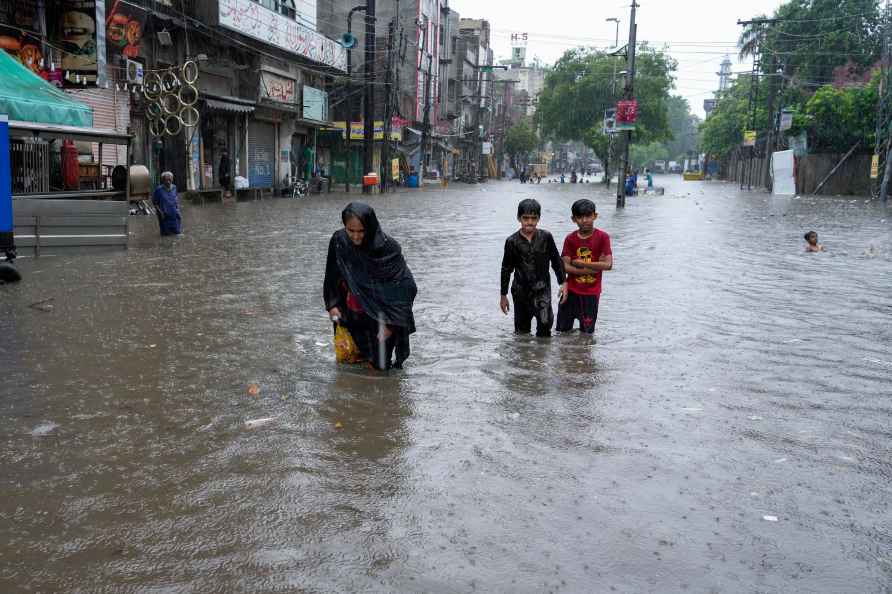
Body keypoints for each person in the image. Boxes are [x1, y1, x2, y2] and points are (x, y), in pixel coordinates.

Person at [324, 203, 417, 370]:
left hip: (381, 318)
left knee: (380, 368)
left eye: (361, 231)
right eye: (350, 230)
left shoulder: (388, 248)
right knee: (349, 361)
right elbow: (332, 273)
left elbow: (406, 287)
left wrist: (391, 325)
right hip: (351, 313)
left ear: (371, 227)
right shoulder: (339, 241)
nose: (356, 237)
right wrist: (332, 304)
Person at [500, 199, 567, 338]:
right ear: (519, 218)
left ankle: (540, 358)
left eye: (533, 218)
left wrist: (563, 283)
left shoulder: (546, 237)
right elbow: (506, 269)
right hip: (520, 291)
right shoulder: (512, 241)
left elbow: (556, 261)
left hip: (542, 289)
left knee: (545, 323)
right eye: (525, 218)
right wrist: (503, 295)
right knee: (522, 331)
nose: (529, 222)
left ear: (538, 218)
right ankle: (525, 358)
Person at [557, 199, 613, 335]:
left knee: (587, 335)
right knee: (561, 332)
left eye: (588, 216)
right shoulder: (570, 239)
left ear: (595, 216)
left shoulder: (603, 237)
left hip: (591, 294)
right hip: (570, 292)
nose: (584, 220)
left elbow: (608, 265)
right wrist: (592, 268)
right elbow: (563, 265)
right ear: (573, 219)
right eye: (580, 217)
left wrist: (581, 263)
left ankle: (583, 356)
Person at [152, 171, 182, 236]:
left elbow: (176, 199)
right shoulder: (159, 190)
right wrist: (160, 212)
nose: (168, 182)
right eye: (166, 180)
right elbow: (155, 203)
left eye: (170, 180)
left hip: (174, 214)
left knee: (177, 233)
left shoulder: (174, 187)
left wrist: (178, 210)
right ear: (163, 180)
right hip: (164, 216)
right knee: (166, 235)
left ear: (172, 180)